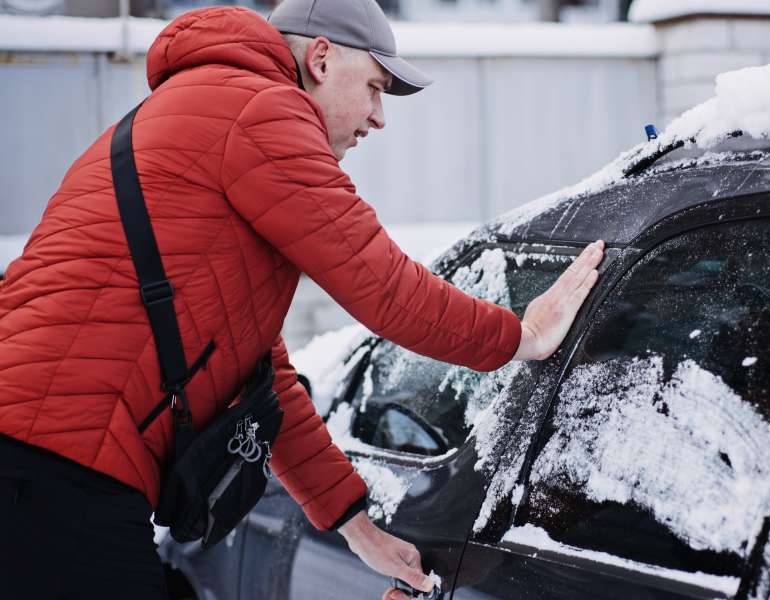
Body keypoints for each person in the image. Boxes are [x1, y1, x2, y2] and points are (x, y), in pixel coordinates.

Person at [0, 0, 604, 598]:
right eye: (373, 88)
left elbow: (260, 379)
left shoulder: (206, 108)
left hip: (39, 463)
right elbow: (382, 286)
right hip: (57, 464)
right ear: (319, 58)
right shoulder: (261, 109)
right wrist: (520, 335)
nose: (377, 117)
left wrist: (357, 527)